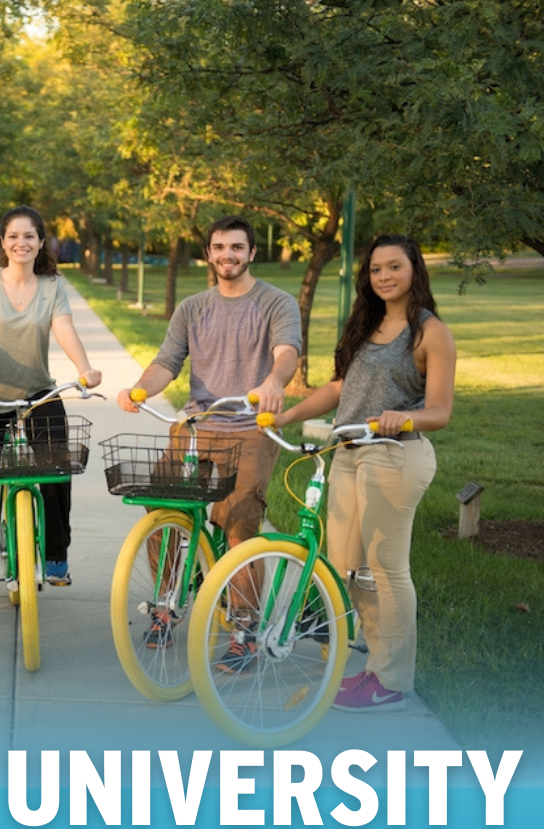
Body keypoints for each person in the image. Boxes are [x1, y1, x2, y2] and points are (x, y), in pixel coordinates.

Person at [272, 234, 456, 712]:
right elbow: (339, 387)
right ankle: (375, 664)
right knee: (351, 568)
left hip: (396, 455)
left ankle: (392, 679)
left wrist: (405, 417)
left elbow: (440, 410)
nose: (385, 277)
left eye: (394, 267)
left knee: (385, 569)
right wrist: (288, 416)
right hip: (349, 451)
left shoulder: (429, 332)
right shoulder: (365, 324)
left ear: (414, 269)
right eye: (376, 270)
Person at [117, 214, 302, 661]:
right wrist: (141, 387)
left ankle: (244, 627)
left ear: (252, 253)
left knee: (239, 522)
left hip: (249, 428)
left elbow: (287, 351)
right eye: (219, 247)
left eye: (237, 247)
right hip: (198, 424)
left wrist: (275, 381)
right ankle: (166, 605)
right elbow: (167, 360)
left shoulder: (276, 302)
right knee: (163, 508)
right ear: (210, 254)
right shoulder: (193, 307)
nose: (227, 255)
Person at [0, 205, 102, 627]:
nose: (21, 243)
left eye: (29, 236)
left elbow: (64, 329)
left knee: (58, 469)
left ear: (41, 242)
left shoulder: (51, 286)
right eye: (13, 236)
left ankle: (55, 553)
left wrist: (84, 369)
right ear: (3, 242)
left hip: (38, 393)